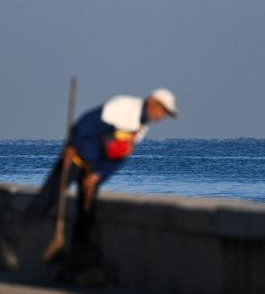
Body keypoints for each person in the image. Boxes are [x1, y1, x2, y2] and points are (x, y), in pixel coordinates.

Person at [30, 88, 177, 269]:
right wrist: (71, 145)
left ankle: (76, 261)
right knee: (49, 197)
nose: (162, 117)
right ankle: (18, 237)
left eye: (166, 114)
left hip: (93, 169)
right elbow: (86, 123)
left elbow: (117, 158)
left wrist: (98, 175)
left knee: (86, 215)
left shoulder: (140, 129)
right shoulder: (124, 106)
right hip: (76, 157)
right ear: (153, 102)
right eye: (163, 111)